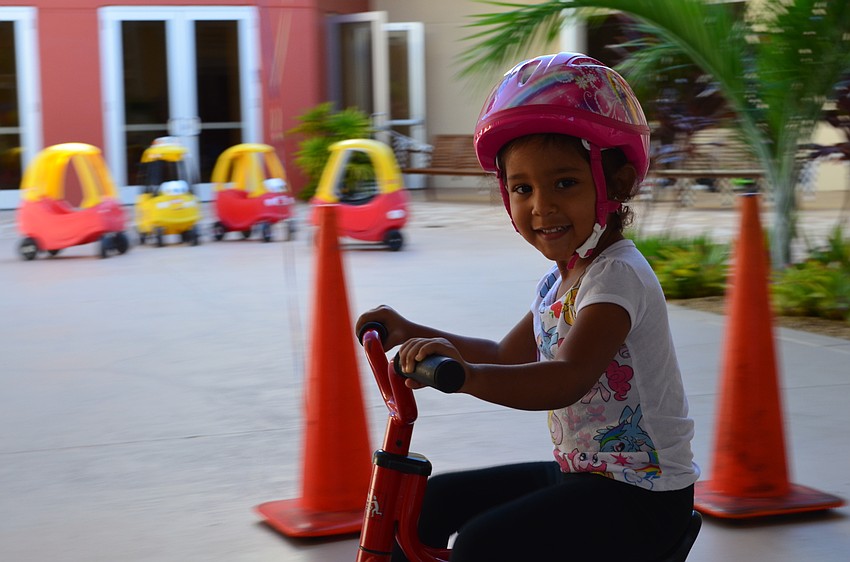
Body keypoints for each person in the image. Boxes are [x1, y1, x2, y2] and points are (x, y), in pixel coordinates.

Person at [356, 52, 699, 562]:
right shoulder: (556, 284)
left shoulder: (616, 276)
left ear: (617, 185)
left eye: (565, 182)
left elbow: (565, 377)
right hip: (584, 475)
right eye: (523, 188)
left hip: (642, 496)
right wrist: (412, 332)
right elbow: (504, 352)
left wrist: (466, 376)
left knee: (484, 544)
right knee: (426, 504)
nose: (542, 205)